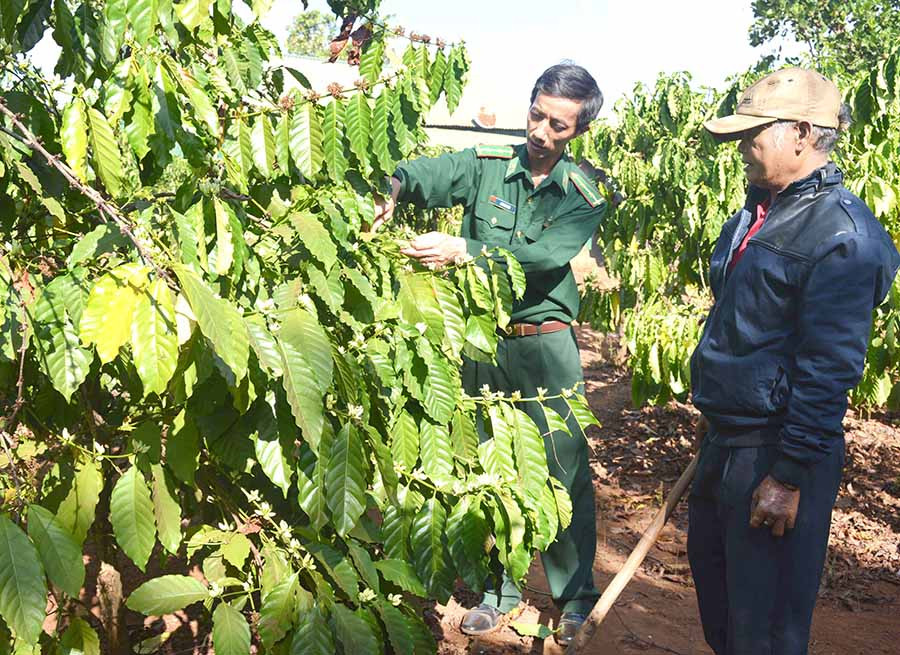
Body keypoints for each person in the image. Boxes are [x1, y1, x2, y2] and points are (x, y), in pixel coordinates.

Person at [373, 63, 606, 645]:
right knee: (493, 465)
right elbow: (424, 173)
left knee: (562, 466)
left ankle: (574, 598)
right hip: (484, 345)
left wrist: (463, 249)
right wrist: (392, 189)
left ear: (576, 132)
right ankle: (501, 591)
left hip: (545, 347)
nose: (541, 132)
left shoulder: (583, 196)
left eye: (557, 125)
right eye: (536, 115)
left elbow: (545, 256)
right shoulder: (485, 167)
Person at [688, 67, 899, 655]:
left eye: (753, 135)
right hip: (728, 440)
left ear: (802, 132)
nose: (741, 150)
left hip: (777, 451)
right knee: (723, 612)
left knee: (766, 629)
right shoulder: (756, 214)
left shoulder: (842, 235)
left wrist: (787, 475)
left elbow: (829, 366)